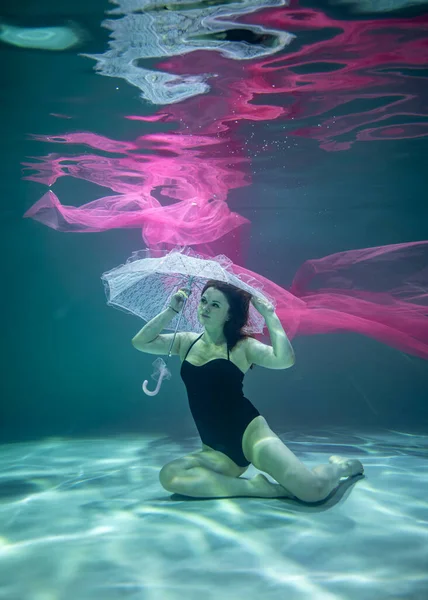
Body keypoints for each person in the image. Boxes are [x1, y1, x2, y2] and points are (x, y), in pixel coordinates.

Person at [132, 280, 364, 502]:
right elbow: (140, 342)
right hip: (216, 450)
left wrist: (270, 316)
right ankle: (259, 488)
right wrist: (172, 310)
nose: (205, 308)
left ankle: (340, 467)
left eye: (215, 305)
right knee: (169, 476)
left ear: (229, 314)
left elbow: (284, 360)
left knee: (313, 491)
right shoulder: (186, 342)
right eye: (203, 301)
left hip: (251, 436)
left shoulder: (243, 347)